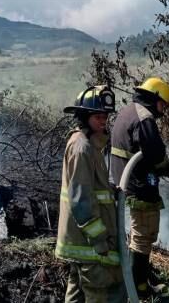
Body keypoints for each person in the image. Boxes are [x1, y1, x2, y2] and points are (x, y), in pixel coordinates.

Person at [109, 77, 169, 299]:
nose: (164, 109)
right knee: (143, 236)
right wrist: (168, 169)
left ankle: (138, 284)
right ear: (155, 97)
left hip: (128, 182)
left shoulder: (128, 111)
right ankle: (139, 290)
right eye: (163, 104)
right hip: (139, 186)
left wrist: (161, 168)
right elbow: (156, 154)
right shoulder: (144, 117)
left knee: (139, 236)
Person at [56, 85, 125, 303]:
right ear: (84, 116)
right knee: (99, 292)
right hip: (88, 242)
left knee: (76, 293)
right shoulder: (82, 147)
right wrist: (99, 239)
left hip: (80, 240)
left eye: (105, 115)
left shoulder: (89, 145)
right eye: (98, 116)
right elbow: (80, 199)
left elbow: (90, 188)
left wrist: (110, 191)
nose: (103, 120)